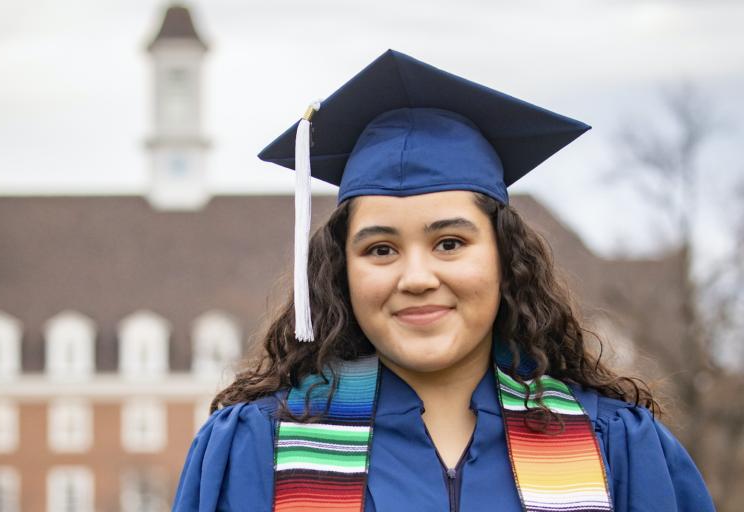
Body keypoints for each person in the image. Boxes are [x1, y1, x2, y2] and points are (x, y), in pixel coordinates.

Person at [172, 50, 716, 511]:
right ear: (341, 272)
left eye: (450, 243)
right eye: (380, 249)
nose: (416, 277)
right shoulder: (256, 450)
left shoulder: (616, 447)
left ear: (505, 258)